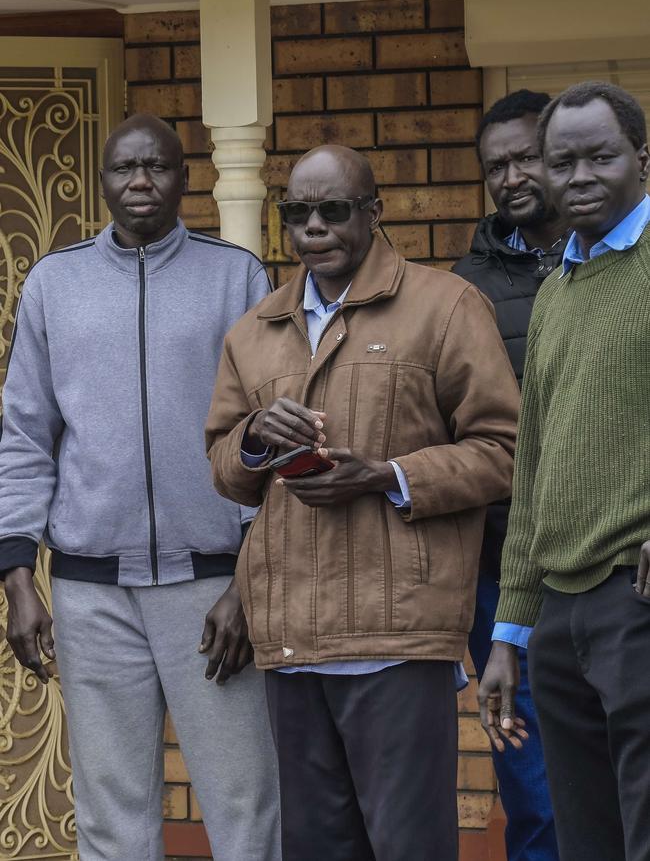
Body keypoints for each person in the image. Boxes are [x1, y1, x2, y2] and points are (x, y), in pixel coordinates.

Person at [205, 143, 520, 861]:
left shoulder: (445, 306)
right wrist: (254, 436)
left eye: (334, 210)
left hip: (398, 635)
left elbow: (505, 450)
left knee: (409, 847)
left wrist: (387, 473)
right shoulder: (255, 331)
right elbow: (226, 466)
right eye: (297, 212)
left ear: (374, 213)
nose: (313, 226)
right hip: (291, 639)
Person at [0, 114, 280, 860]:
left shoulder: (237, 275)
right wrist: (17, 573)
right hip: (94, 596)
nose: (141, 182)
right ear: (103, 181)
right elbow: (25, 433)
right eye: (125, 169)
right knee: (111, 813)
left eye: (157, 167)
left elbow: (268, 437)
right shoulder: (55, 284)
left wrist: (249, 585)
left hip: (213, 588)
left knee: (246, 803)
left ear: (185, 178)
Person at [478, 81, 650, 861]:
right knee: (586, 840)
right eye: (562, 160)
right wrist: (509, 632)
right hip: (558, 614)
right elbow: (534, 465)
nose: (579, 176)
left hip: (636, 598)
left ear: (641, 159)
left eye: (600, 156)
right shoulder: (556, 292)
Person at [453, 89, 566, 861]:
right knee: (536, 792)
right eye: (497, 165)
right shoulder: (464, 291)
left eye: (527, 156)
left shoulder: (629, 264)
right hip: (503, 573)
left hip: (620, 567)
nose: (513, 175)